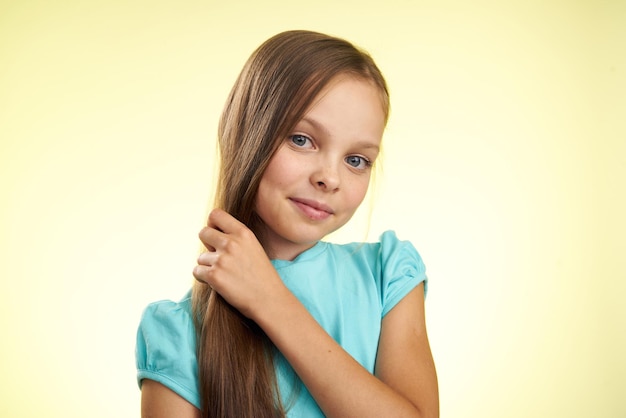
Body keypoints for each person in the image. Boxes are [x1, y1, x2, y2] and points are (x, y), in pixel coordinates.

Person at [136, 30, 439, 418]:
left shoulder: (388, 276)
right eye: (301, 139)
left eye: (356, 160)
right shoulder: (177, 333)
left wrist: (271, 300)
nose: (330, 178)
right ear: (247, 132)